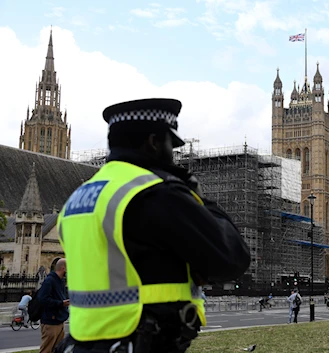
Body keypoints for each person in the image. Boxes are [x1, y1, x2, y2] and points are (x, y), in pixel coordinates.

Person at [54, 98, 251, 353]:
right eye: (171, 145)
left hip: (82, 344)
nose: (173, 155)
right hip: (141, 341)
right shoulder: (153, 193)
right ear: (154, 142)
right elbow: (232, 257)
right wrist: (197, 198)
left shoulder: (77, 200)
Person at [38, 258, 69, 353]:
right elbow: (42, 299)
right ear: (63, 268)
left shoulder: (61, 282)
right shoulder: (49, 281)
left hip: (59, 321)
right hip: (50, 322)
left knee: (58, 350)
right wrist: (61, 303)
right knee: (46, 350)